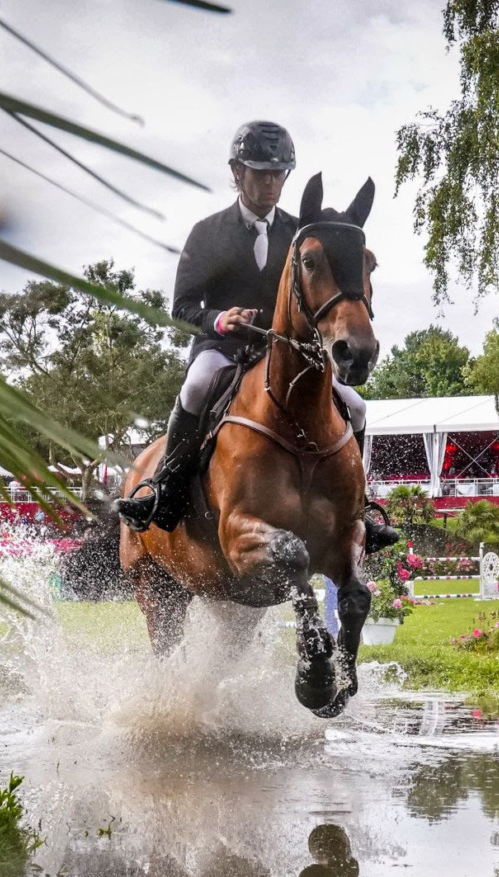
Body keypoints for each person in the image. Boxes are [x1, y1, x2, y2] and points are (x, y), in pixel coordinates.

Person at [118, 121, 399, 554]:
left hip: (284, 356)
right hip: (223, 350)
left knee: (357, 407)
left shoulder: (299, 233)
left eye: (278, 174)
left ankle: (357, 509)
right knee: (195, 386)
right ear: (237, 172)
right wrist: (219, 320)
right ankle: (165, 489)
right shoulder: (207, 232)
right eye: (260, 173)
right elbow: (183, 307)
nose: (270, 183)